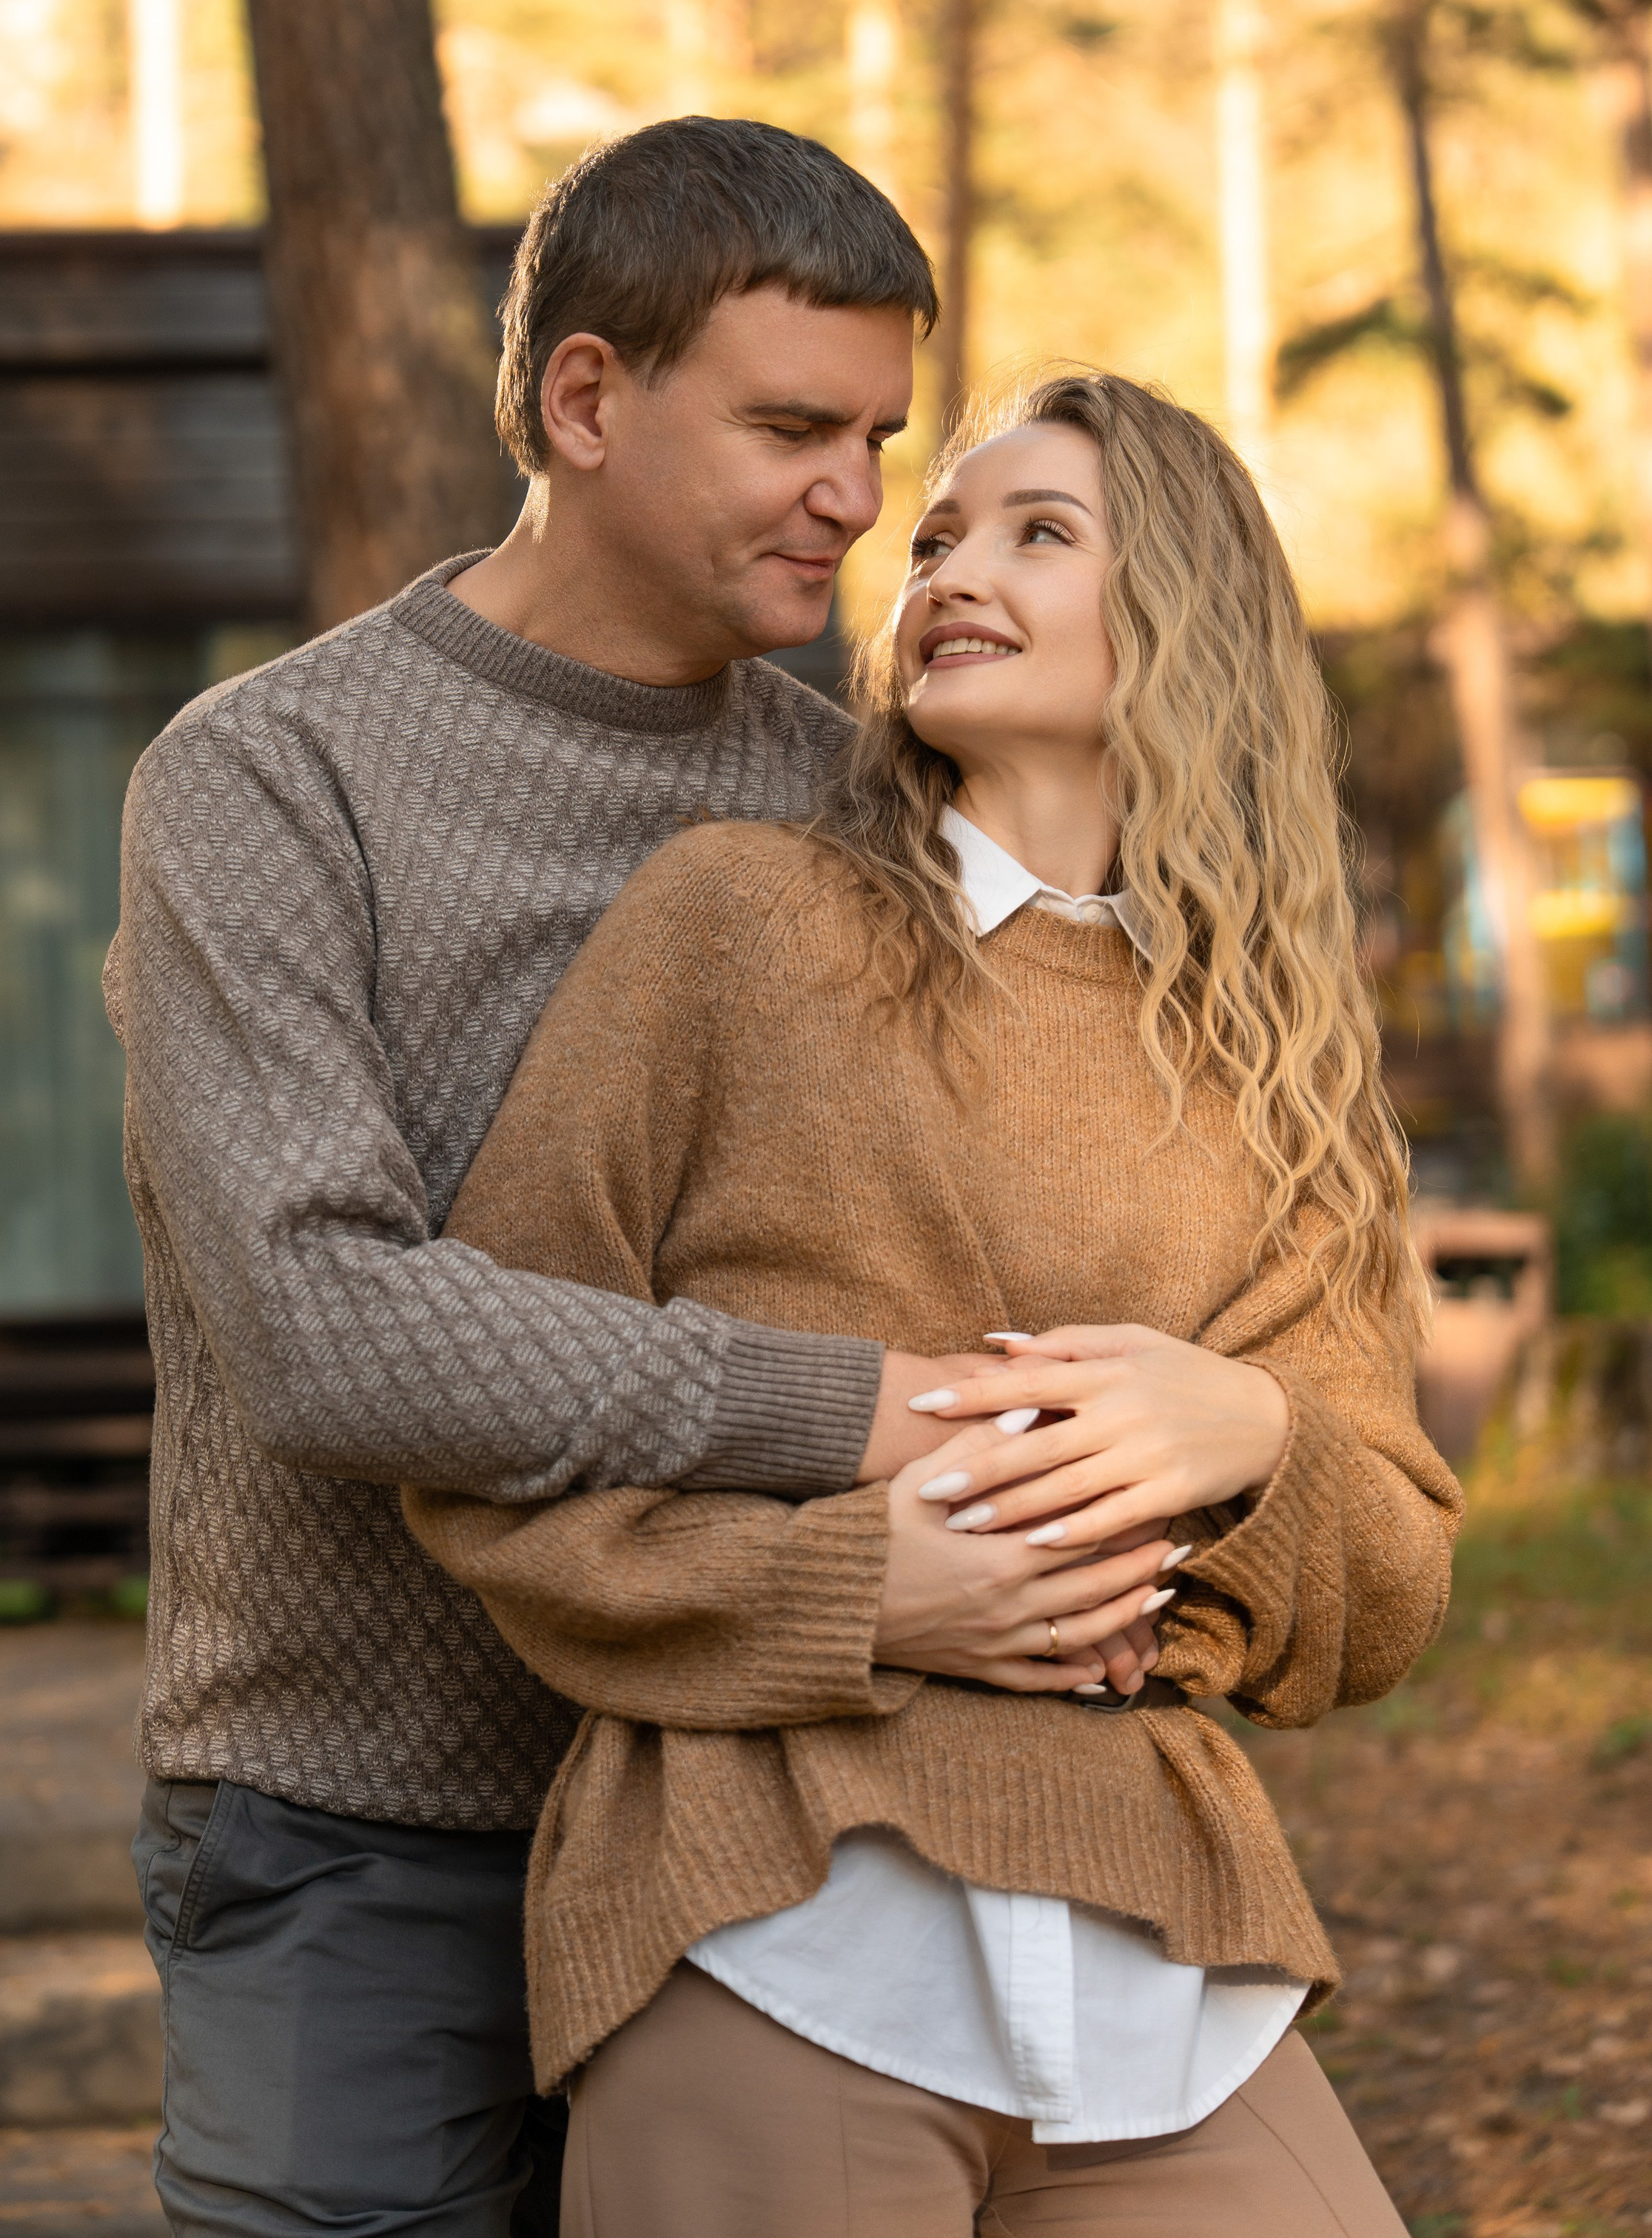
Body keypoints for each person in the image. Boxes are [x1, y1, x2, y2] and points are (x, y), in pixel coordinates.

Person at [106, 124, 1166, 2238]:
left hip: (773, 1799)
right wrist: (864, 1413)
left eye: (879, 435)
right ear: (583, 402)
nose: (860, 501)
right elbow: (330, 1326)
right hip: (365, 1819)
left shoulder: (859, 801)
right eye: (794, 425)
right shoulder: (267, 779)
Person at [407, 370, 1463, 2237]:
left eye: (1036, 532)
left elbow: (1383, 1573)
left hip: (1169, 1978)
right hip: (773, 1926)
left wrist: (1255, 1438)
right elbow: (482, 1419)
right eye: (941, 536)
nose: (948, 569)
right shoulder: (738, 926)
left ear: (1186, 610)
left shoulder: (1273, 1061)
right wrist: (857, 1590)